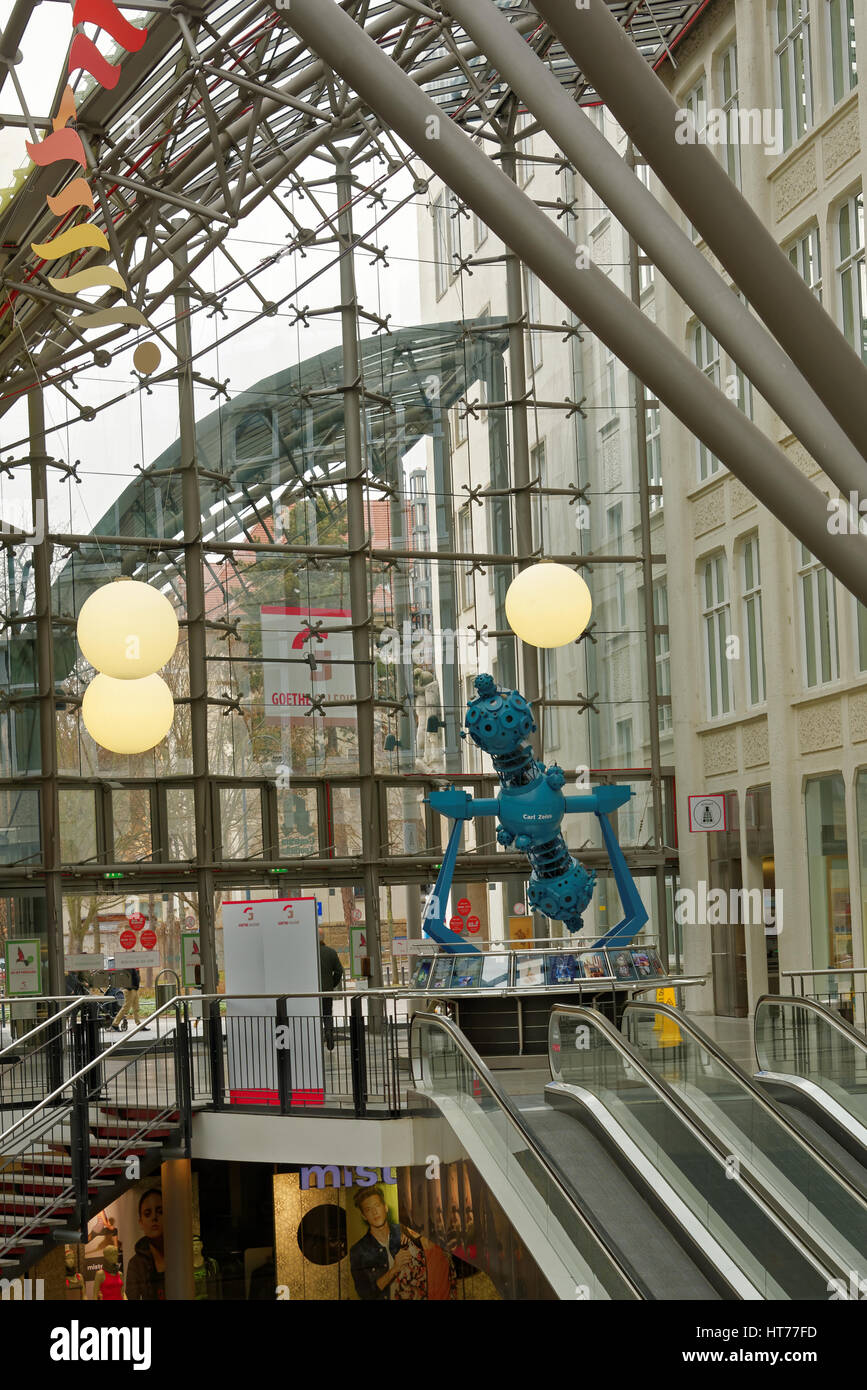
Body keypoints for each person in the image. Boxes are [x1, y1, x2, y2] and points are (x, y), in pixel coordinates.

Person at [349, 1187, 424, 1300]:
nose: (374, 1212)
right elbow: (366, 1294)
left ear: (385, 1207)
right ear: (364, 1216)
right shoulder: (358, 1251)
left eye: (377, 1206)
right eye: (368, 1209)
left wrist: (413, 1237)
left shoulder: (406, 1231)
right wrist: (395, 1268)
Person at [125, 1189, 165, 1300]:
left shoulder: (181, 1255)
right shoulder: (136, 1264)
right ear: (141, 1223)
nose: (154, 1218)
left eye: (160, 1211)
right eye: (147, 1214)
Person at [318, 930, 343, 1051]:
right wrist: (332, 983)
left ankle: (316, 1037)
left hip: (311, 992)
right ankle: (328, 1031)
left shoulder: (308, 952)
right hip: (326, 991)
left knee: (313, 1015)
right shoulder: (331, 952)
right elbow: (339, 971)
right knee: (327, 1013)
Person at [112, 967, 141, 1032]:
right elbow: (125, 977)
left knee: (136, 1008)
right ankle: (115, 1024)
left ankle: (139, 1024)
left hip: (134, 988)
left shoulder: (133, 966)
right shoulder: (126, 965)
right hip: (129, 989)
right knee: (126, 1008)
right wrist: (129, 987)